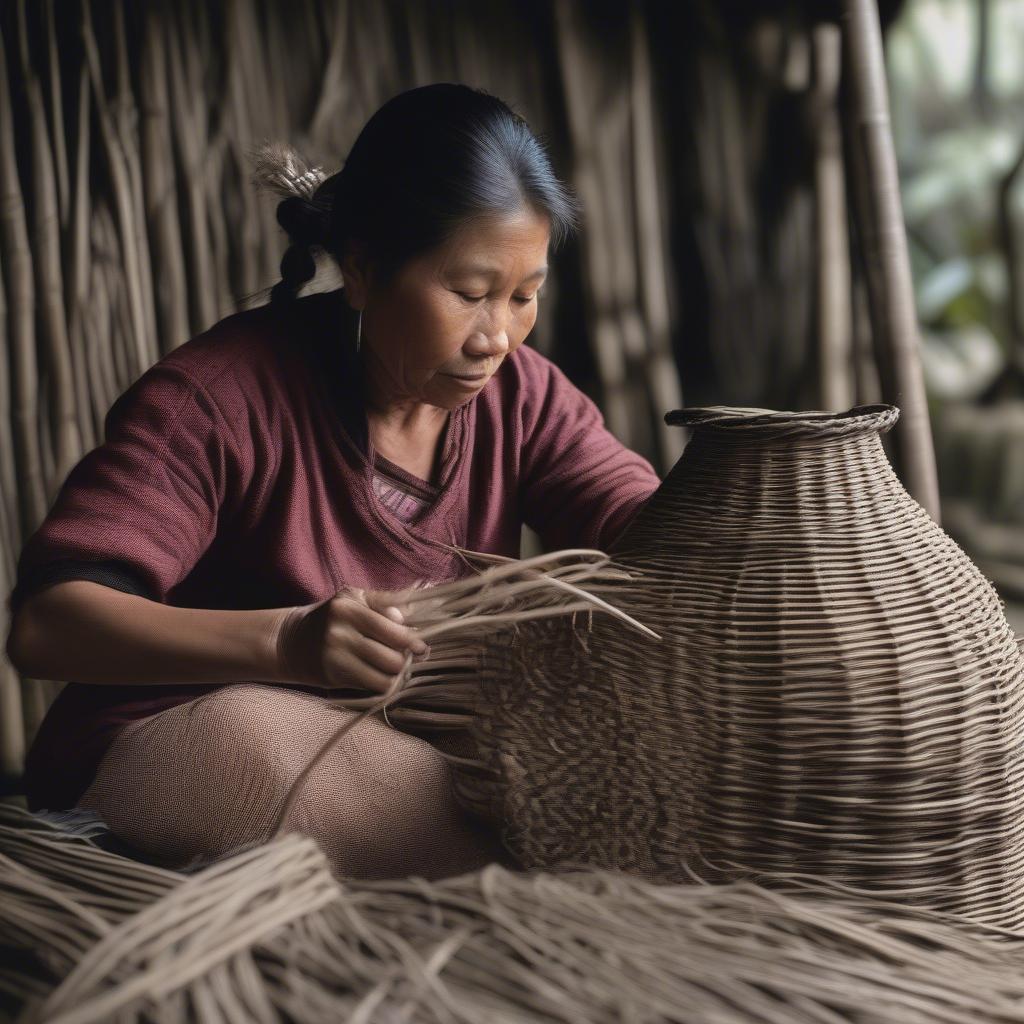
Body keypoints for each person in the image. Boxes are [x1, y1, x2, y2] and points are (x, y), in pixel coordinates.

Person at [5, 83, 660, 880]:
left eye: (525, 297)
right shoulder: (217, 398)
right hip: (183, 735)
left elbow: (652, 530)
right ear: (361, 269)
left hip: (399, 739)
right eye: (469, 293)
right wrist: (286, 643)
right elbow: (49, 626)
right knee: (263, 743)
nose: (497, 336)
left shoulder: (524, 398)